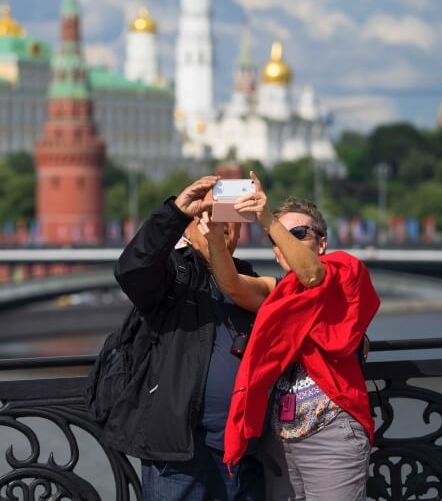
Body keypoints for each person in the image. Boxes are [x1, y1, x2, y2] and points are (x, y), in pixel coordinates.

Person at [198, 172, 380, 501]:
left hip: (331, 434)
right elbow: (232, 285)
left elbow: (313, 275)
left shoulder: (343, 272)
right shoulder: (278, 290)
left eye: (297, 233)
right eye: (279, 238)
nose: (285, 242)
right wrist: (213, 239)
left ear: (321, 242)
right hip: (280, 442)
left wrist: (267, 219)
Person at [107, 175, 265, 501]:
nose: (221, 228)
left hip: (244, 452)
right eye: (209, 218)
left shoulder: (247, 279)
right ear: (190, 228)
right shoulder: (172, 272)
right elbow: (131, 269)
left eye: (230, 223)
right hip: (182, 453)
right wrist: (176, 211)